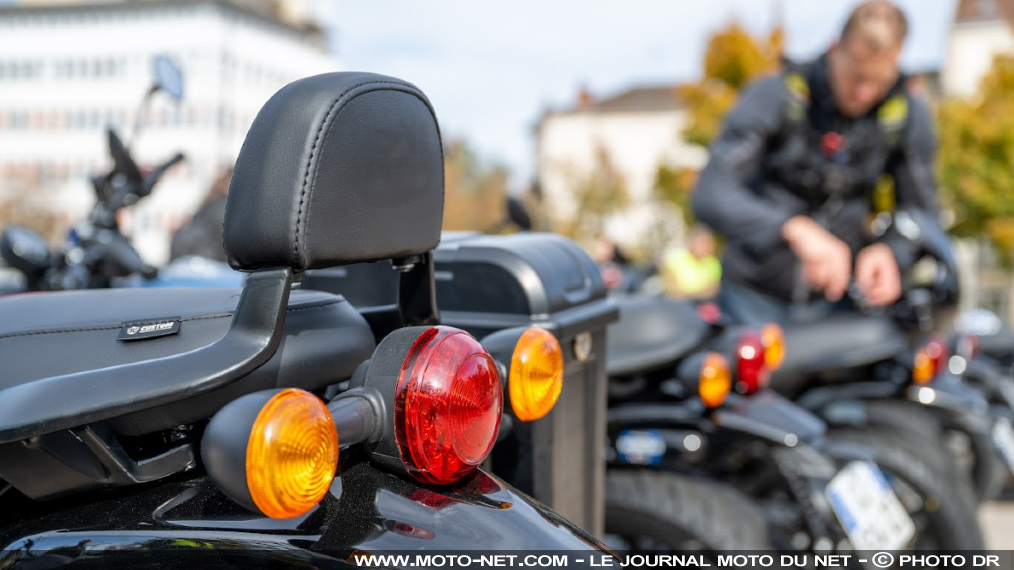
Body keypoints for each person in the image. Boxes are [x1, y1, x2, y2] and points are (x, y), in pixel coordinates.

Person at [692, 0, 940, 325]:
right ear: (834, 48)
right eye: (856, 76)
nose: (864, 93)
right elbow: (712, 192)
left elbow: (921, 212)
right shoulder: (777, 96)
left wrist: (893, 251)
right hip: (753, 300)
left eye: (878, 80)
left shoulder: (905, 115)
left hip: (841, 306)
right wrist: (791, 229)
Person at [662, 225, 722, 299]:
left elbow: (713, 291)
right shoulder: (675, 258)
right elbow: (673, 292)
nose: (708, 247)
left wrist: (690, 294)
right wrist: (699, 293)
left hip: (703, 303)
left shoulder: (713, 262)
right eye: (703, 243)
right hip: (679, 303)